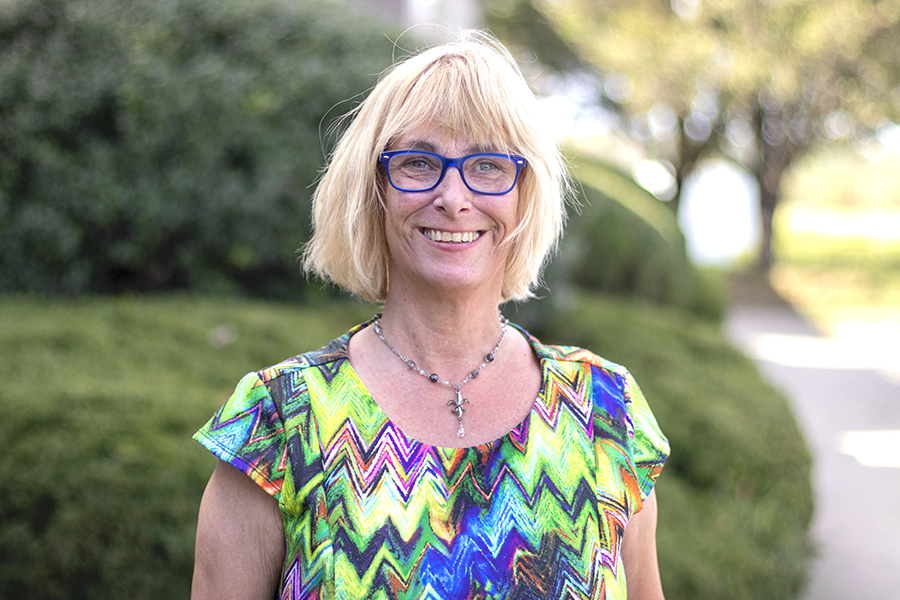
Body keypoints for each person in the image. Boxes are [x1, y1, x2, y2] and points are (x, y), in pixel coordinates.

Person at [191, 31, 669, 600]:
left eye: (488, 165)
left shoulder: (604, 411)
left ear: (524, 192)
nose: (453, 195)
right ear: (374, 191)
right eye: (419, 163)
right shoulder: (281, 424)